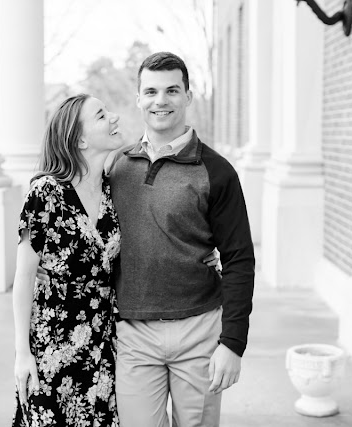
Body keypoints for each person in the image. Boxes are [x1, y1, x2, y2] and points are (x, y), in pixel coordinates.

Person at [109, 52, 255, 427]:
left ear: (188, 95)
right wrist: (45, 266)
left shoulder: (218, 172)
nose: (161, 101)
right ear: (139, 98)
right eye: (152, 91)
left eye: (172, 90)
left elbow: (239, 258)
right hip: (134, 332)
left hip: (200, 330)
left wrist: (233, 343)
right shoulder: (114, 167)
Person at [12, 94, 125, 427]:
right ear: (80, 139)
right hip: (53, 343)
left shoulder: (112, 190)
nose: (115, 118)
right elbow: (24, 278)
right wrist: (22, 353)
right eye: (102, 116)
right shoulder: (45, 194)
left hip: (103, 344)